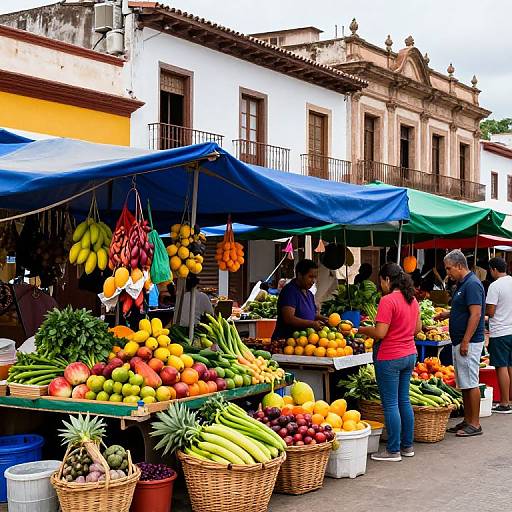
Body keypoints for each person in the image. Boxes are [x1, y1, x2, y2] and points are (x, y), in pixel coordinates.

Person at [358, 263, 422, 462]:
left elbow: (380, 333)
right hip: (409, 353)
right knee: (404, 400)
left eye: (381, 281)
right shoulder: (412, 299)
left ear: (386, 279)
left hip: (390, 357)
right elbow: (417, 328)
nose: (380, 285)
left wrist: (361, 330)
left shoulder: (387, 300)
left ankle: (393, 450)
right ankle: (407, 446)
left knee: (391, 404)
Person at [435, 250, 485, 437]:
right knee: (464, 382)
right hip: (460, 341)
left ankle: (475, 423)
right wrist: (447, 314)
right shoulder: (462, 284)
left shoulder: (472, 284)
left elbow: (476, 314)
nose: (448, 273)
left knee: (471, 382)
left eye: (449, 268)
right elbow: (463, 309)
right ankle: (467, 419)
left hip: (469, 342)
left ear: (459, 266)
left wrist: (465, 340)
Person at [272, 259, 327, 339]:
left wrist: (323, 319)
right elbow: (289, 318)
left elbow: (309, 314)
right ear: (299, 275)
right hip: (286, 342)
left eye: (315, 277)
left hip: (303, 343)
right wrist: (311, 324)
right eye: (310, 277)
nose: (313, 281)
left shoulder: (309, 294)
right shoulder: (290, 291)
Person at [485, 257, 512, 413]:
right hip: (511, 329)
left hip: (500, 331)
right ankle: (509, 399)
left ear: (494, 269)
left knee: (501, 366)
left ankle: (504, 403)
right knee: (510, 365)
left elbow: (491, 311)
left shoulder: (495, 286)